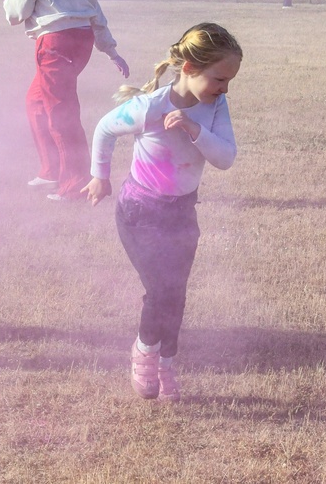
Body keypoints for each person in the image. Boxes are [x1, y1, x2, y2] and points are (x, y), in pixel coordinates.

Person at [81, 22, 242, 402]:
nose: (225, 88)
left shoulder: (215, 106)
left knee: (177, 295)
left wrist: (193, 130)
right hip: (141, 211)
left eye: (230, 81)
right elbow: (105, 129)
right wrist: (99, 177)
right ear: (189, 68)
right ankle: (144, 353)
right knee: (161, 290)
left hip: (183, 213)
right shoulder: (150, 107)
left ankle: (166, 365)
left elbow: (226, 158)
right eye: (219, 79)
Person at [3, 0, 129, 202]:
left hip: (54, 44)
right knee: (36, 104)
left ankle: (75, 182)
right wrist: (109, 48)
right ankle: (51, 170)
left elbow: (15, 13)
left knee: (61, 114)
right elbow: (93, 7)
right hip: (81, 40)